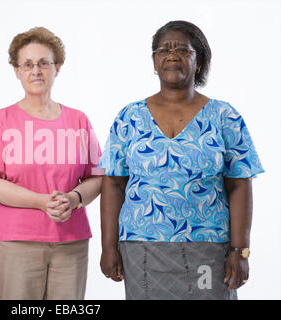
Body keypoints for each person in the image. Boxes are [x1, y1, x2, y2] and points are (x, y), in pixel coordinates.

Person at [98, 20, 264, 300]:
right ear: (154, 62)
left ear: (198, 62)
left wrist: (240, 250)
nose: (172, 54)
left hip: (207, 249)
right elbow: (113, 184)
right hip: (142, 248)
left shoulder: (225, 117)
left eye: (183, 50)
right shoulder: (130, 117)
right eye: (163, 49)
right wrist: (108, 246)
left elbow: (239, 186)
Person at [0, 27, 102, 300]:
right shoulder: (1, 120)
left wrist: (74, 198)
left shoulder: (78, 121)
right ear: (16, 71)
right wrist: (40, 201)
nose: (36, 71)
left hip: (70, 243)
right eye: (27, 64)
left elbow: (97, 177)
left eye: (44, 63)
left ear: (57, 67)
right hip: (16, 243)